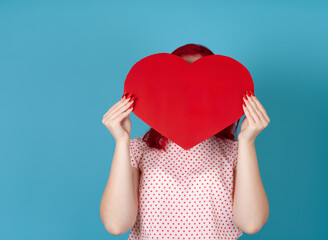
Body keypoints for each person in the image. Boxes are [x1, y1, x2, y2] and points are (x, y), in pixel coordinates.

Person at [100, 43, 270, 239]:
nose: (190, 93)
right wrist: (121, 140)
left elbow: (252, 223)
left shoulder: (235, 152)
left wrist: (247, 142)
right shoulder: (138, 149)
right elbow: (116, 225)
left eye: (201, 84)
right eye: (180, 84)